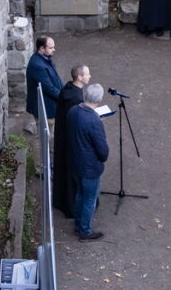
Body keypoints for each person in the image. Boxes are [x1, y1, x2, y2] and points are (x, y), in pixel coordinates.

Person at [69, 83, 111, 241]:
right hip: (90, 166)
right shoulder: (94, 121)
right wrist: (98, 123)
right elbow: (102, 150)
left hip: (76, 162)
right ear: (99, 99)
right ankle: (85, 232)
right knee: (89, 199)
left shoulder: (73, 111)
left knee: (80, 194)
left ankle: (78, 224)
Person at [52, 64, 90, 219]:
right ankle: (71, 206)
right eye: (87, 74)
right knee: (71, 174)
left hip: (63, 138)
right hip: (71, 142)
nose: (89, 76)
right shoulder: (76, 98)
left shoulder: (68, 90)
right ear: (80, 77)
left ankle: (63, 201)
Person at [25, 36, 63, 123]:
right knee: (49, 134)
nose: (54, 50)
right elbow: (48, 88)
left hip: (50, 106)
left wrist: (66, 91)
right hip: (47, 110)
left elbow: (56, 78)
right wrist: (64, 98)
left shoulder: (45, 58)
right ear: (42, 48)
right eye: (51, 48)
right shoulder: (38, 65)